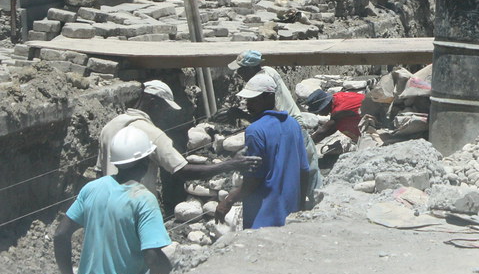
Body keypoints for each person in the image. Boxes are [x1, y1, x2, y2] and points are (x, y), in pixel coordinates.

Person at [55, 127, 172, 274]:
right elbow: (152, 256)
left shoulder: (91, 189)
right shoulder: (143, 199)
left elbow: (60, 234)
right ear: (146, 161)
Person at [96, 80, 256, 198]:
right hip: (137, 205)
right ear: (153, 102)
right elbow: (183, 171)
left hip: (107, 204)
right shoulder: (152, 133)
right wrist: (230, 164)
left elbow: (99, 172)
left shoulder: (109, 126)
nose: (165, 114)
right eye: (164, 108)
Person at [215, 72, 310, 229]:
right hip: (289, 213)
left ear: (269, 96)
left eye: (253, 99)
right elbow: (304, 169)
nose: (248, 104)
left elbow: (254, 179)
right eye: (247, 100)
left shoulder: (255, 130)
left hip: (264, 216)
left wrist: (228, 200)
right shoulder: (293, 124)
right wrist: (300, 205)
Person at [228, 49, 322, 207]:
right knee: (307, 169)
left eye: (241, 69)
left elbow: (270, 117)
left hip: (289, 127)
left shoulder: (263, 84)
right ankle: (311, 204)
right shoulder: (268, 71)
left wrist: (242, 115)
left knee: (300, 172)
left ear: (251, 68)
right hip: (293, 124)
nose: (239, 74)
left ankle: (312, 206)